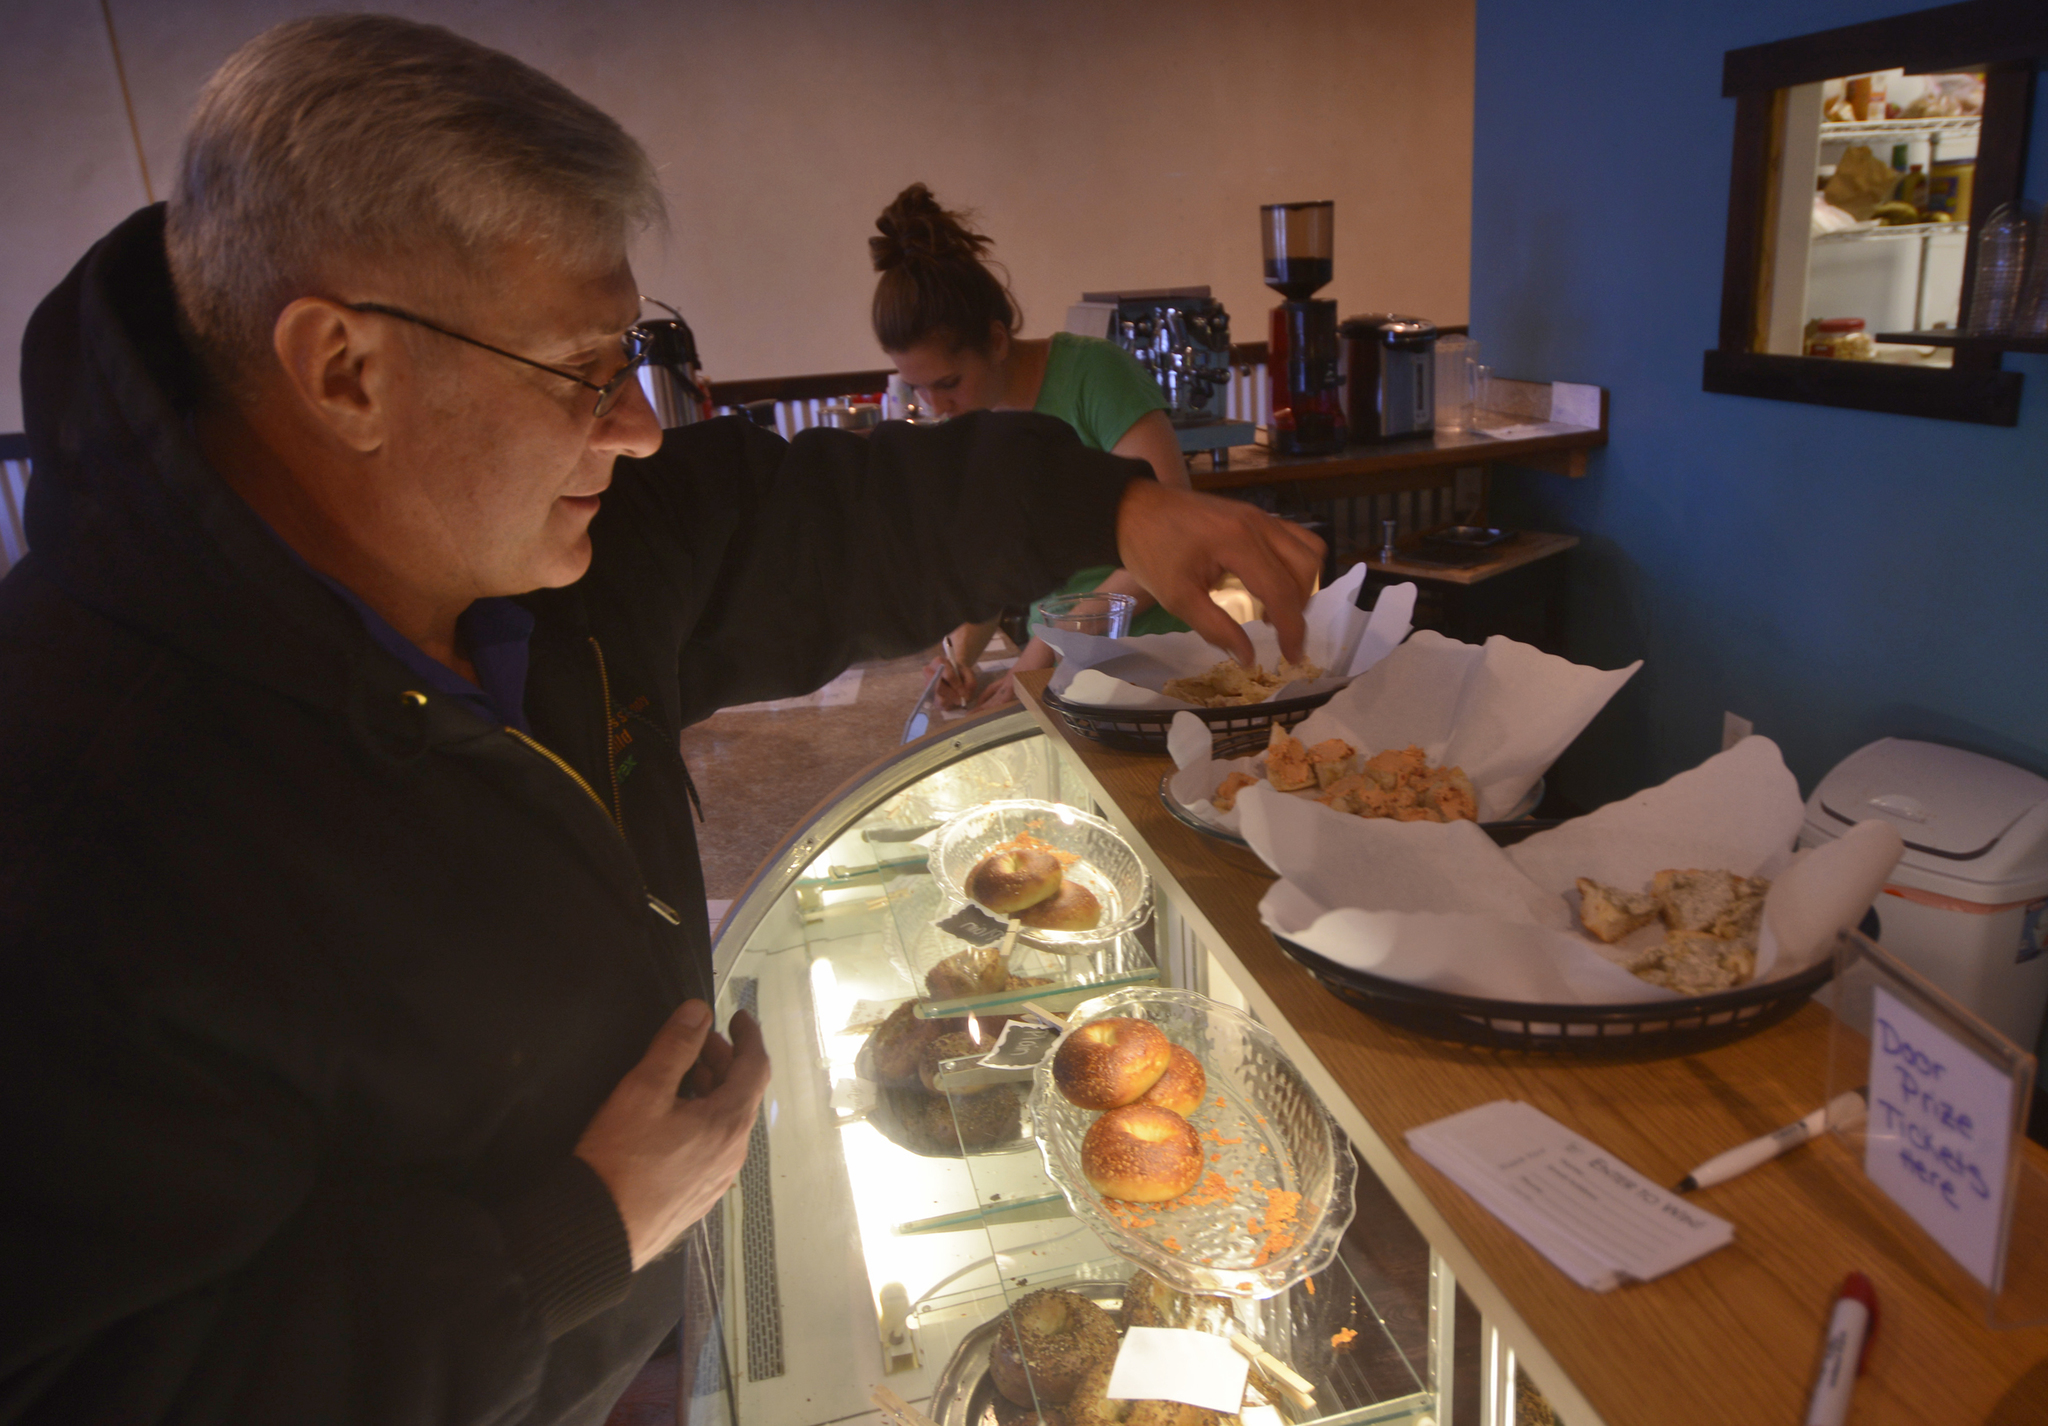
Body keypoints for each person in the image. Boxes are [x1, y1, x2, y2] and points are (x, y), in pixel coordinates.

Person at [0, 15, 1321, 1426]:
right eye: (580, 369)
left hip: (636, 1331)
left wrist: (1112, 504)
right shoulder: (79, 808)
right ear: (345, 372)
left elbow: (822, 512)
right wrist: (570, 1234)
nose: (634, 427)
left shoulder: (559, 551)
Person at [870, 184, 1194, 709]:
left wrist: (1040, 650)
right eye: (917, 389)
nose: (935, 408)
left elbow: (1171, 541)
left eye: (948, 383)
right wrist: (959, 657)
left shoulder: (1095, 375)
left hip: (1154, 667)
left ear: (997, 342)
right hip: (1061, 670)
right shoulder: (972, 423)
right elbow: (992, 565)